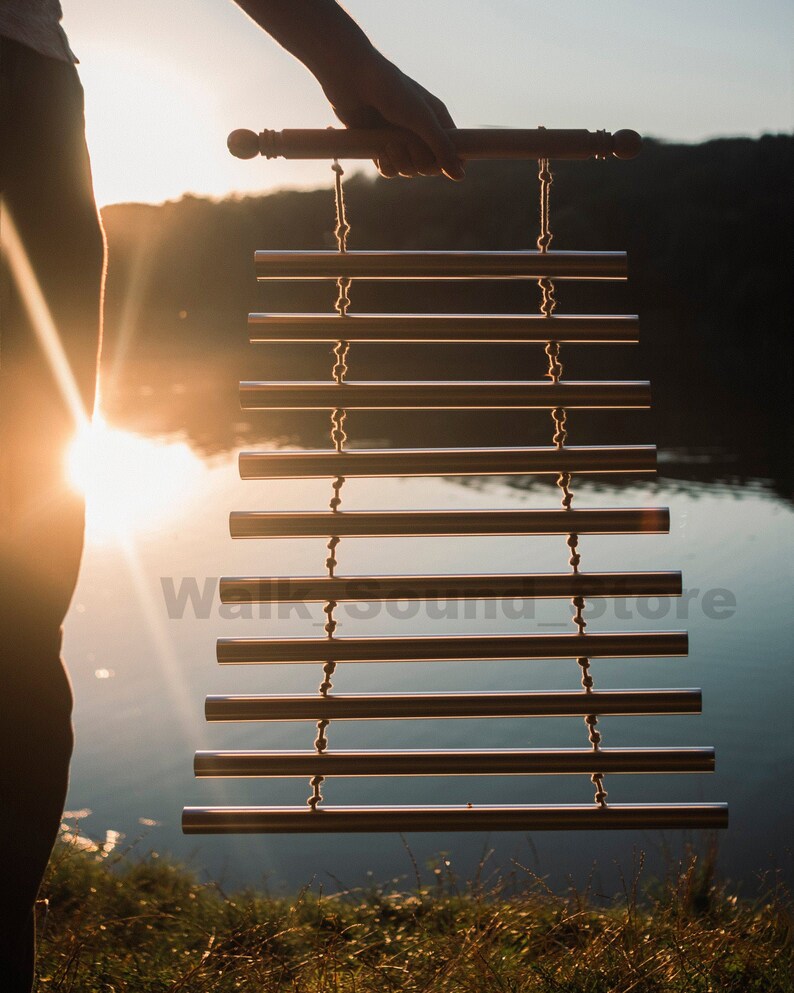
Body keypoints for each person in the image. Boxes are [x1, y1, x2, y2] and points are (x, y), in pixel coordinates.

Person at [0, 1, 463, 989]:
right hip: (16, 102)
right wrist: (345, 57)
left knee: (13, 610)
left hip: (19, 94)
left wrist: (343, 59)